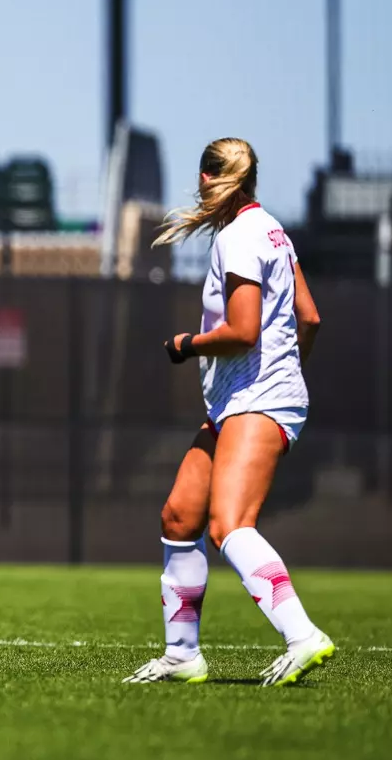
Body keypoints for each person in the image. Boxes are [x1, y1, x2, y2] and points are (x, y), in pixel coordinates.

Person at [126, 137, 334, 687]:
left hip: (255, 399)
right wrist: (284, 374)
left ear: (210, 178)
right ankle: (182, 655)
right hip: (245, 400)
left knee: (229, 525)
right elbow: (308, 318)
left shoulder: (240, 238)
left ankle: (302, 634)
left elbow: (242, 332)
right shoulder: (271, 229)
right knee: (180, 515)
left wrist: (187, 344)